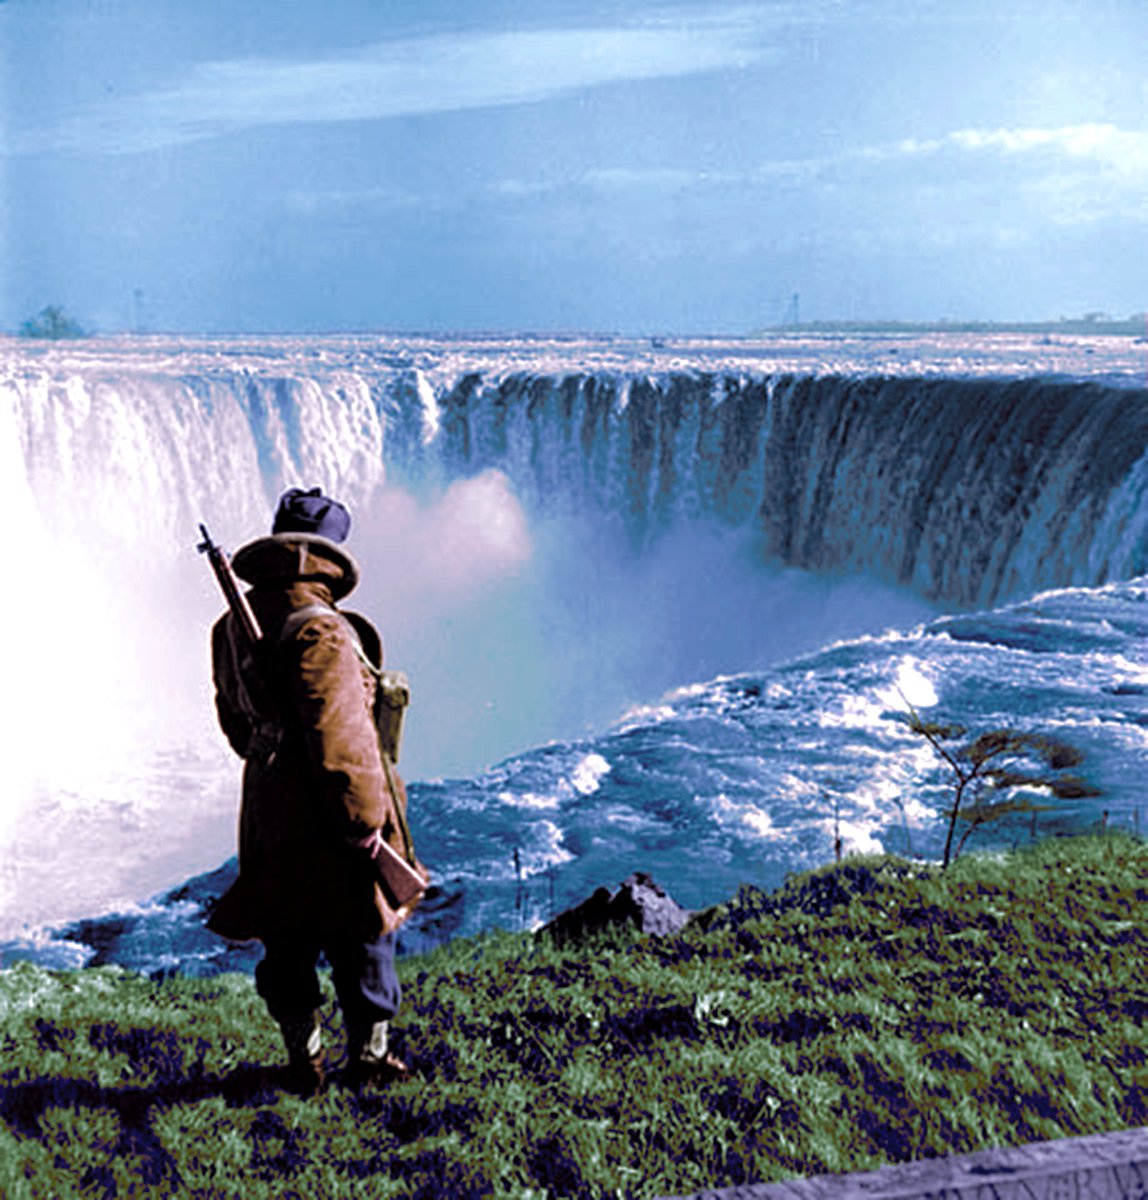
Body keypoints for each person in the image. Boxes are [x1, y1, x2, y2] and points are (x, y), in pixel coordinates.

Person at [206, 486, 418, 1095]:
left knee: (286, 935)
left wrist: (273, 758)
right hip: (333, 807)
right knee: (363, 933)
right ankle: (371, 1060)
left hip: (269, 804)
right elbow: (343, 736)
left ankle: (305, 1061)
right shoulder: (322, 628)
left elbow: (235, 724)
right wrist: (365, 822)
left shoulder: (232, 626)